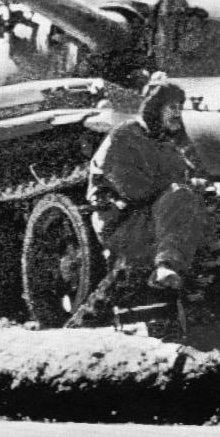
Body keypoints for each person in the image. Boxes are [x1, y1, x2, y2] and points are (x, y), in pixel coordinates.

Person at [87, 82, 210, 291]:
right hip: (122, 225)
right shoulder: (125, 137)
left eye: (180, 107)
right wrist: (183, 185)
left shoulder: (167, 143)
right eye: (172, 107)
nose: (178, 114)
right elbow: (135, 190)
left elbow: (191, 172)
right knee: (180, 195)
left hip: (150, 219)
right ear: (156, 109)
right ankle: (165, 266)